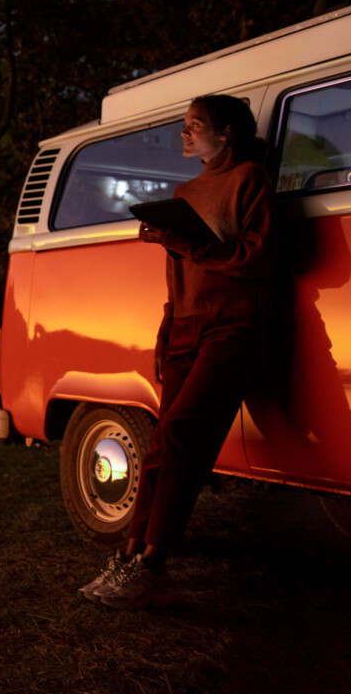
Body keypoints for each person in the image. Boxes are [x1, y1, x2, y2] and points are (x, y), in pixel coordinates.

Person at [81, 93, 279, 610]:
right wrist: (165, 330)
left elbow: (256, 260)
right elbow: (178, 277)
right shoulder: (186, 190)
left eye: (195, 126)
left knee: (180, 433)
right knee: (160, 445)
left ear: (228, 133)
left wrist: (183, 241)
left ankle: (153, 563)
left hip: (233, 325)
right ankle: (129, 556)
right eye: (184, 126)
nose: (185, 135)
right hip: (187, 327)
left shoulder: (249, 181)